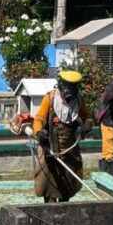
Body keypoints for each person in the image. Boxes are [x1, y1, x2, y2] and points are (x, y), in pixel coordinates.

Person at [32, 70, 93, 203]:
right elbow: (38, 119)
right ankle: (49, 205)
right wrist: (39, 133)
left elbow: (87, 116)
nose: (69, 95)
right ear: (61, 86)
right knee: (48, 178)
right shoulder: (50, 98)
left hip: (69, 148)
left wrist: (88, 124)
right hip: (50, 147)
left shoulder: (79, 100)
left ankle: (65, 205)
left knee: (68, 178)